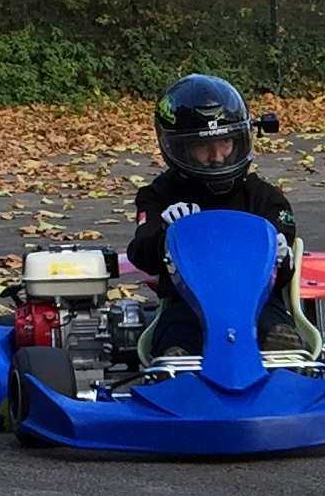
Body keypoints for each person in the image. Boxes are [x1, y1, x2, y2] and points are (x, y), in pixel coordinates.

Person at [127, 74, 301, 357]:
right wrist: (165, 233)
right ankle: (176, 373)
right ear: (179, 147)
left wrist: (279, 251)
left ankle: (285, 364)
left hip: (257, 301)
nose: (217, 156)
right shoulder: (159, 196)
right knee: (177, 338)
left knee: (275, 330)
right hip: (186, 303)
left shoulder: (265, 198)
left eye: (225, 143)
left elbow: (285, 253)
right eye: (203, 147)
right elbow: (141, 253)